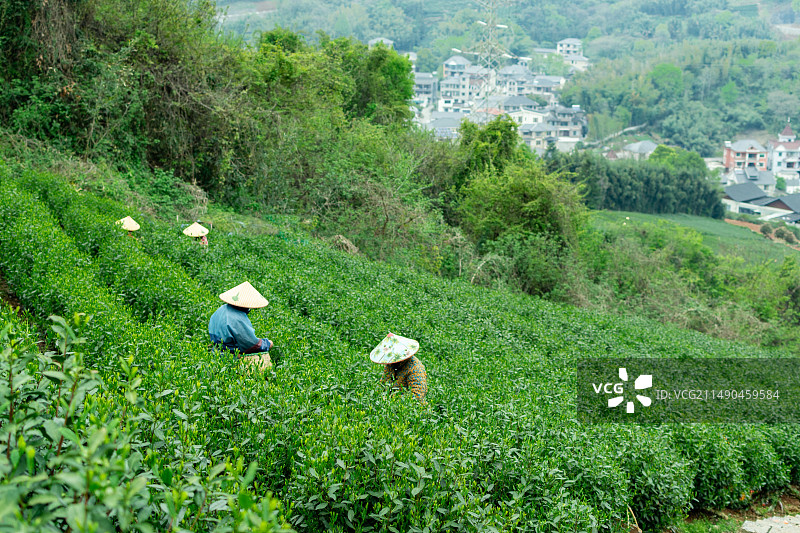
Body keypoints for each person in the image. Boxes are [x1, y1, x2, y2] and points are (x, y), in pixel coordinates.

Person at [208, 281, 273, 371]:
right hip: (231, 359)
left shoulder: (221, 309)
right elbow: (251, 344)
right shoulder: (237, 318)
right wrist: (267, 343)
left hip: (216, 354)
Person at [371, 332, 427, 403]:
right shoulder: (391, 364)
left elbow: (417, 395)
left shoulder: (415, 368)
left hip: (410, 409)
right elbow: (383, 383)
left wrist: (394, 400)